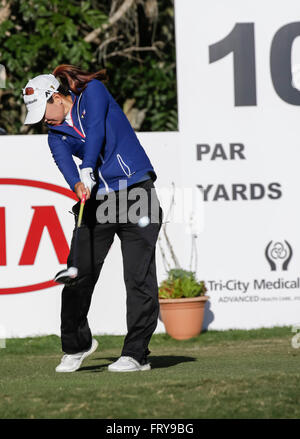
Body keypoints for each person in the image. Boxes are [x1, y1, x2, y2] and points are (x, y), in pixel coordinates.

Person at [22, 65, 163, 373]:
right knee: (76, 275)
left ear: (57, 97)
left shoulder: (93, 93)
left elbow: (97, 128)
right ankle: (77, 344)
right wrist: (78, 183)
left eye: (44, 110)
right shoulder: (54, 134)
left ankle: (136, 354)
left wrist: (87, 166)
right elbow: (64, 164)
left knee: (138, 278)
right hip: (99, 202)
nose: (44, 120)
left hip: (137, 191)